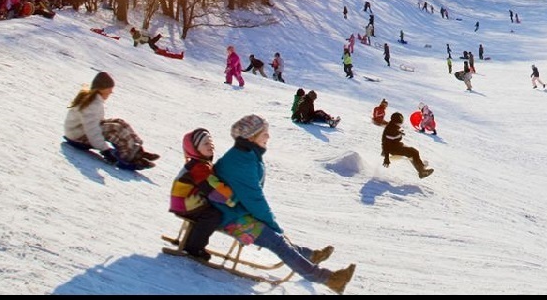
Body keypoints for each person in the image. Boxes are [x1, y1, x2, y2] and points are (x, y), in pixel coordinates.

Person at [211, 115, 355, 293]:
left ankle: (311, 256)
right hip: (227, 217)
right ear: (251, 137)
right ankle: (329, 279)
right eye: (264, 133)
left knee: (277, 238)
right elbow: (254, 199)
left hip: (234, 211)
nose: (268, 137)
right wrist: (271, 224)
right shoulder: (241, 161)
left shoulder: (247, 155)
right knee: (277, 241)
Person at [63, 71, 157, 169]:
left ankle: (137, 151)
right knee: (115, 128)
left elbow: (94, 123)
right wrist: (106, 152)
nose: (111, 92)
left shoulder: (94, 99)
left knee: (120, 122)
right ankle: (127, 158)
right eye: (110, 89)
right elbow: (92, 131)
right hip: (77, 138)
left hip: (79, 133)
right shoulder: (92, 104)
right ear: (103, 88)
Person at [169, 127, 235, 261]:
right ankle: (193, 248)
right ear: (195, 149)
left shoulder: (200, 164)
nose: (210, 145)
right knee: (212, 216)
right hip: (185, 202)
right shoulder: (200, 168)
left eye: (211, 142)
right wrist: (230, 198)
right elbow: (213, 189)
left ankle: (191, 241)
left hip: (186, 200)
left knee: (208, 212)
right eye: (205, 143)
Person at [381, 112, 434, 178]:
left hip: (396, 146)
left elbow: (393, 135)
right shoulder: (391, 129)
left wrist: (399, 133)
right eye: (400, 121)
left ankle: (421, 168)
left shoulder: (393, 126)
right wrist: (386, 158)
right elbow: (386, 144)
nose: (400, 123)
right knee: (413, 152)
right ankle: (421, 170)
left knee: (412, 152)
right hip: (392, 149)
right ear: (396, 121)